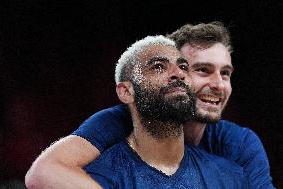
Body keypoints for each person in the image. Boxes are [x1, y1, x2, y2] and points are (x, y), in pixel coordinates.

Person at [25, 22, 274, 189]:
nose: (218, 83)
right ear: (126, 92)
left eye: (226, 73)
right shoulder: (114, 124)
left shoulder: (237, 151)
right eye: (202, 70)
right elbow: (43, 172)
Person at [83, 35, 246, 188]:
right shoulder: (97, 178)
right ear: (126, 92)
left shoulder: (230, 177)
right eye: (158, 67)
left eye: (183, 66)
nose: (179, 74)